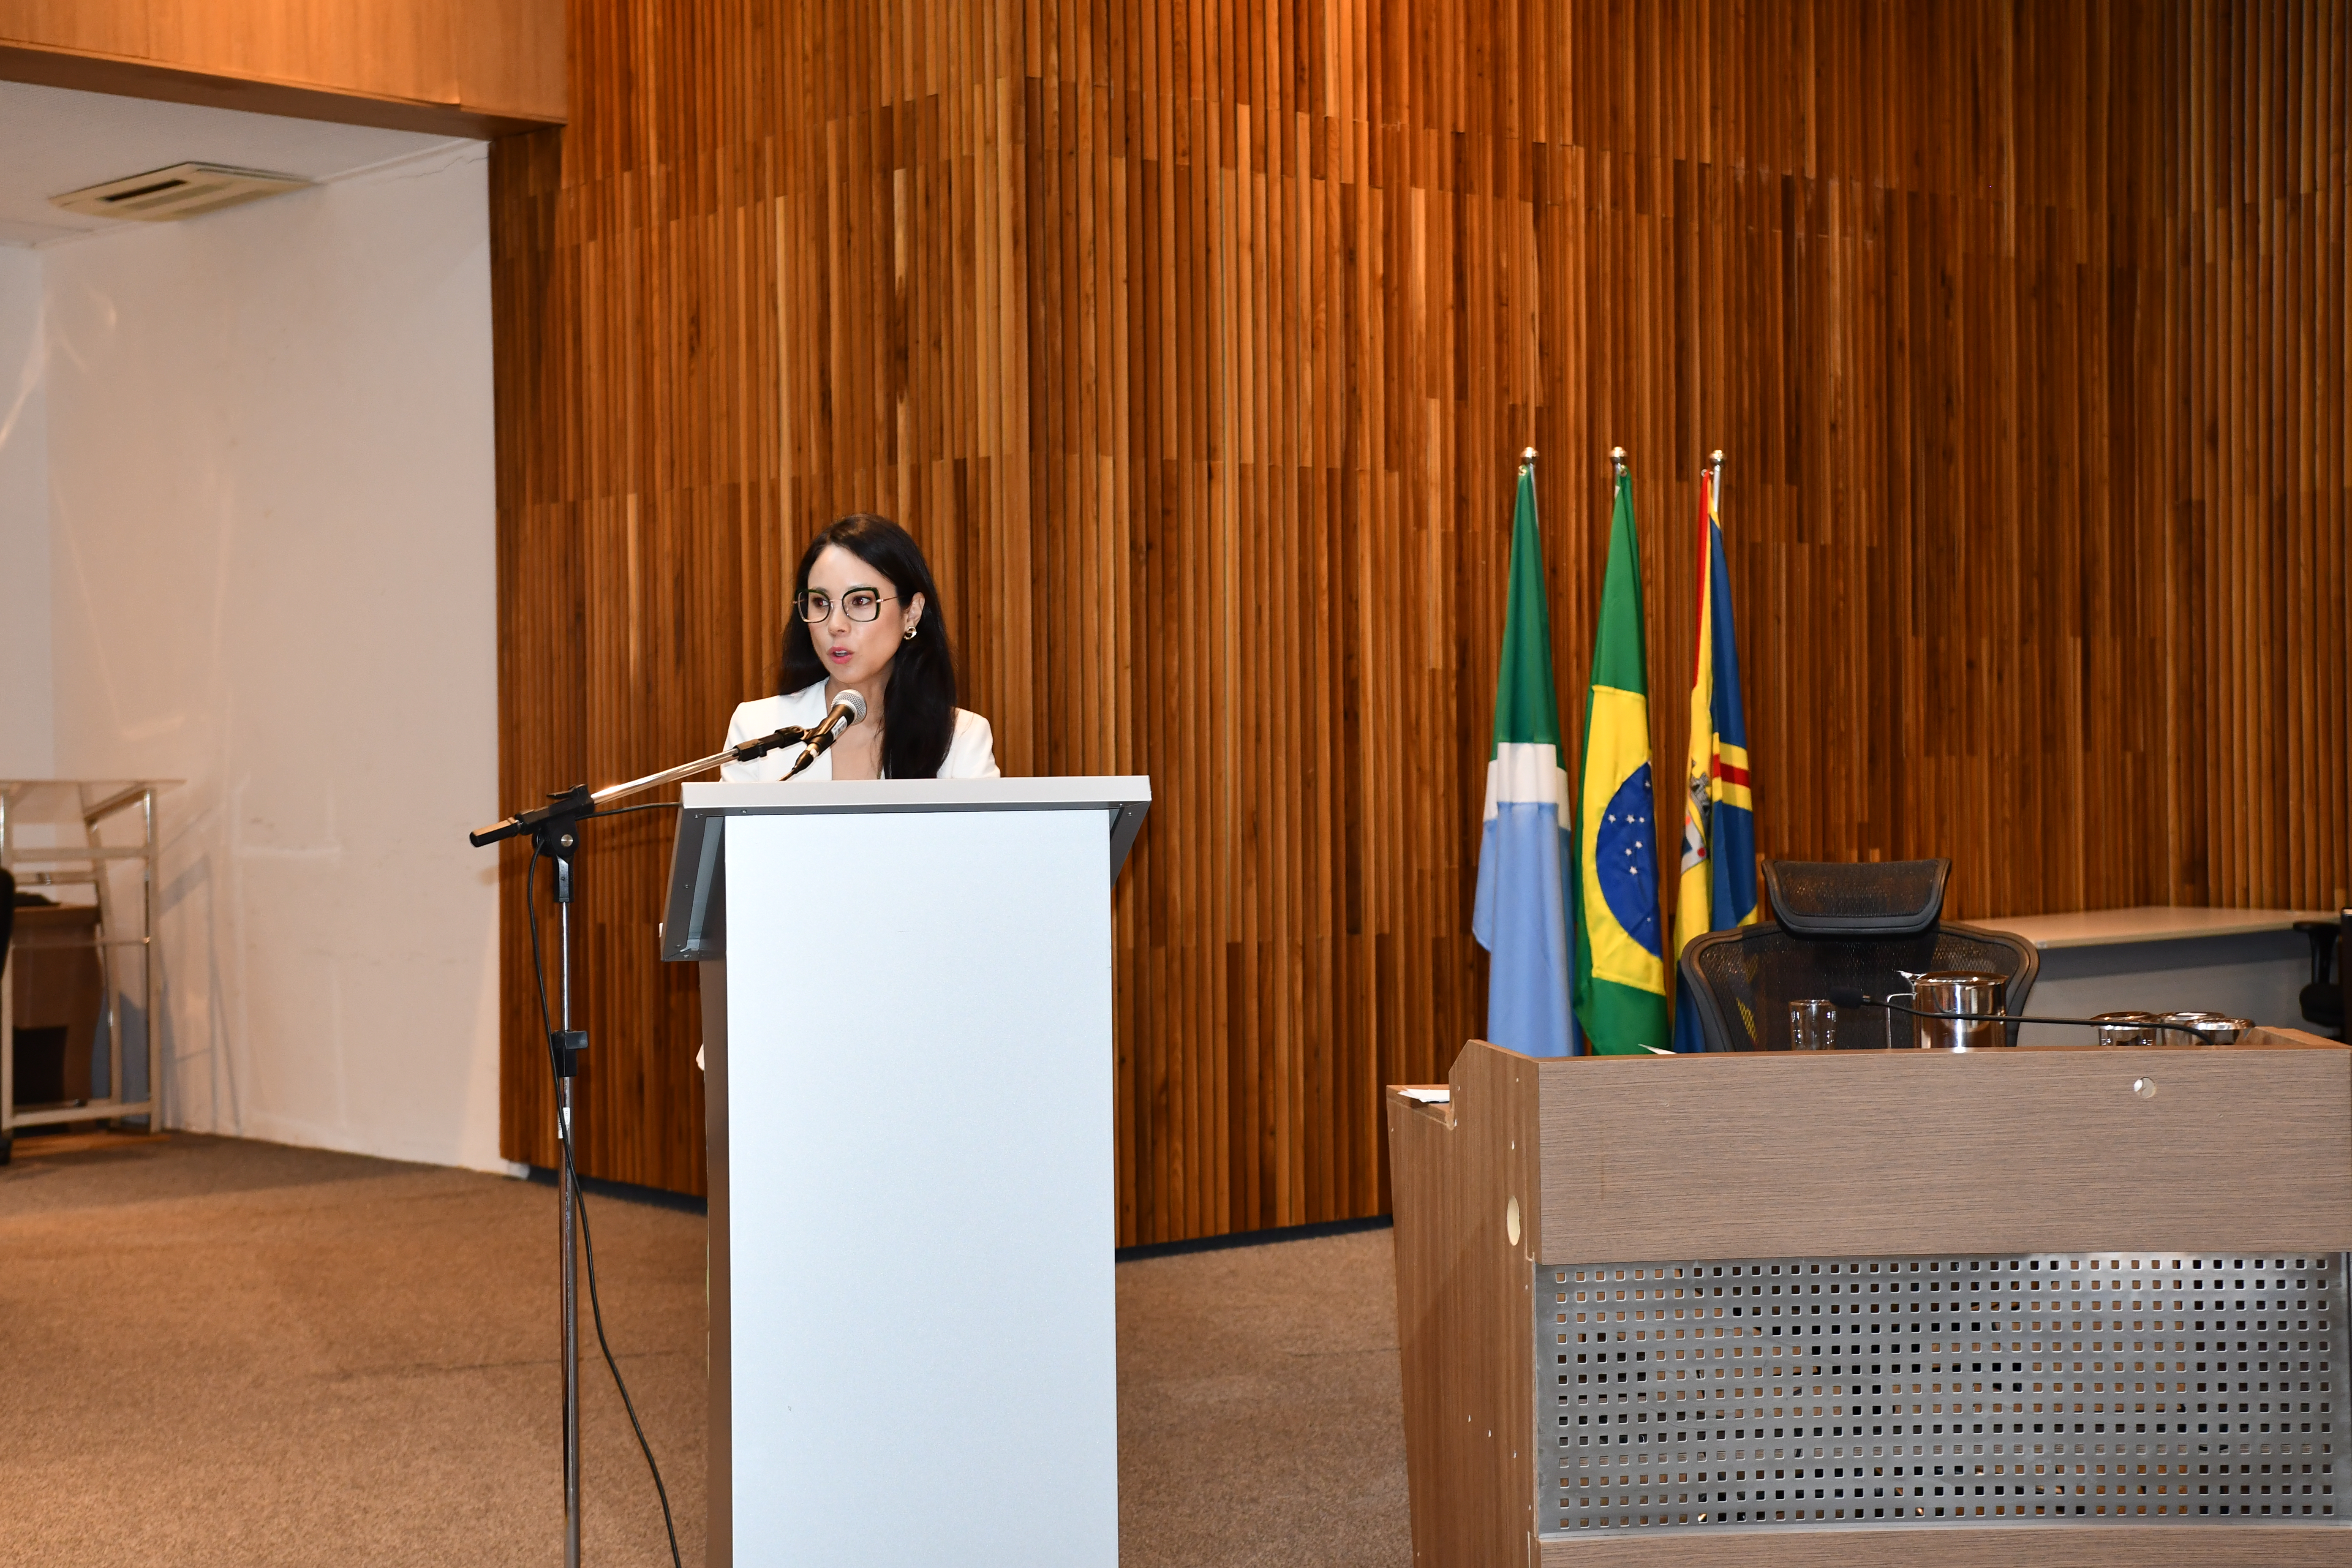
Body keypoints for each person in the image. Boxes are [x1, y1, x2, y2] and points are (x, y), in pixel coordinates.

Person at [721, 514, 999, 781]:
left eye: (860, 601)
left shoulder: (962, 738)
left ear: (912, 613)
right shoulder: (758, 730)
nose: (836, 625)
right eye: (820, 603)